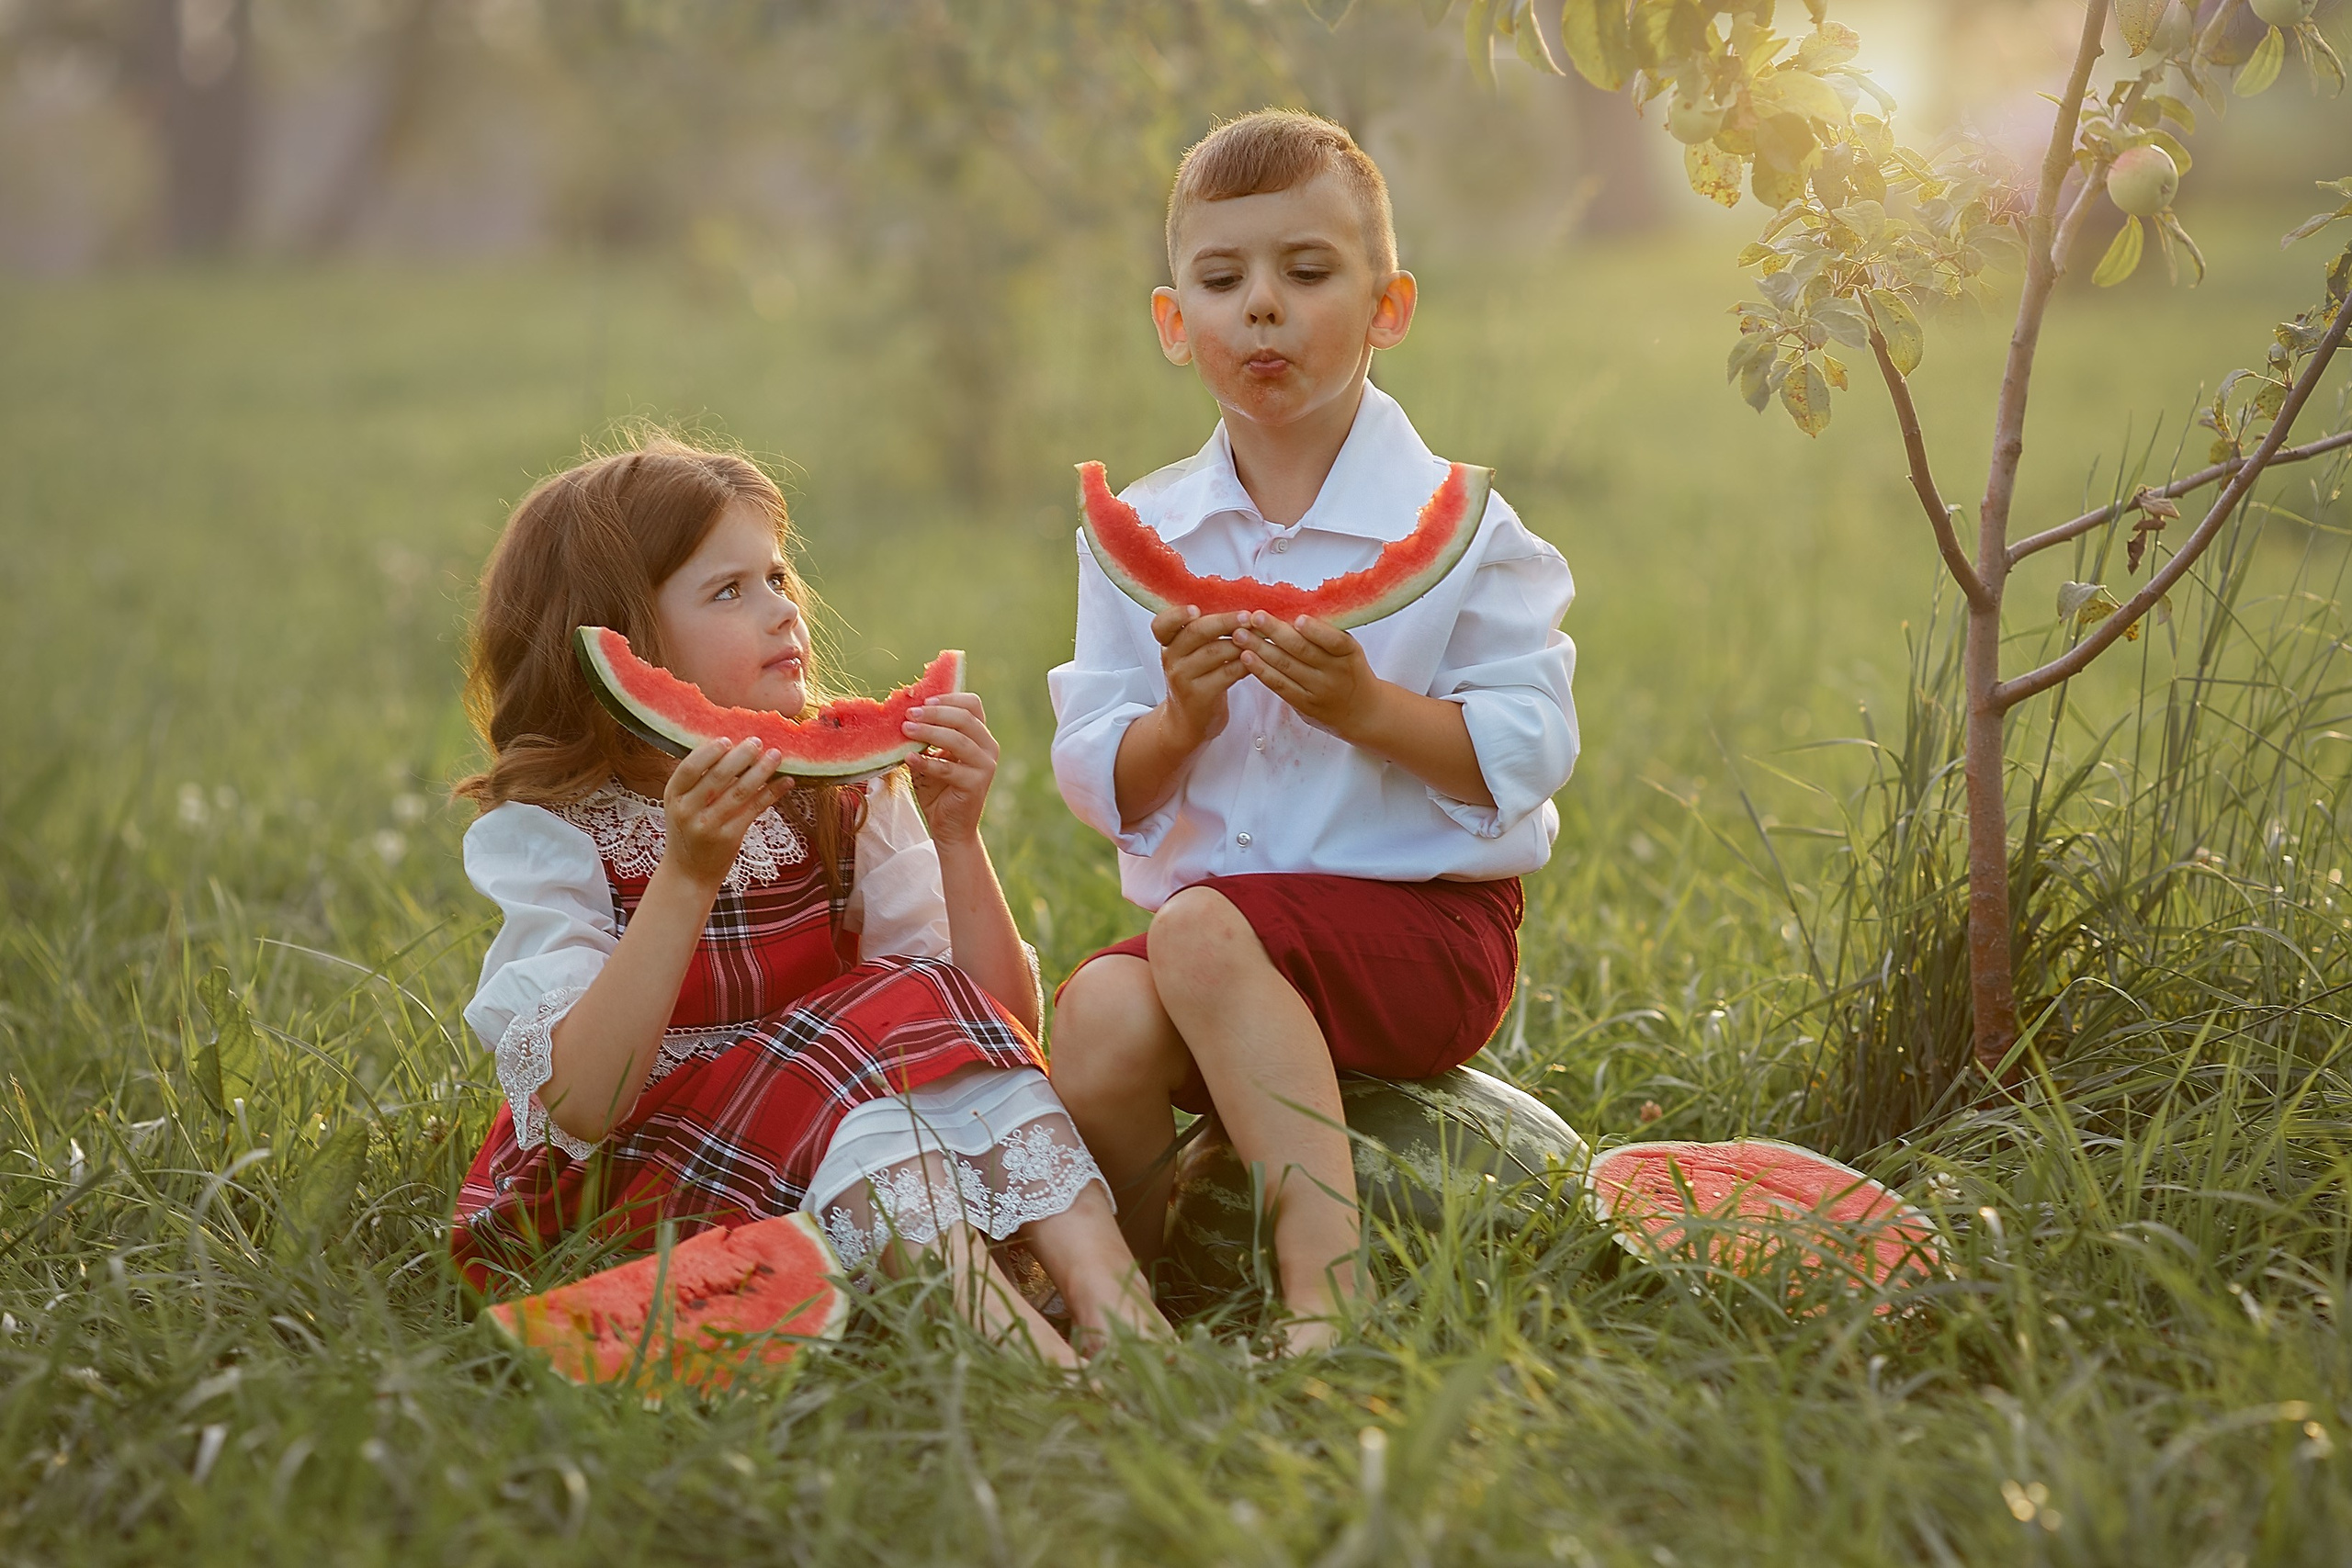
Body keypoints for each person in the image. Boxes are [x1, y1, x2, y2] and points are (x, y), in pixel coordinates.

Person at [449, 434, 1164, 1365]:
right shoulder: (556, 831)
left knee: (912, 1021)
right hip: (644, 1183)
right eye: (727, 591)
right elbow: (585, 1103)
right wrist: (687, 874)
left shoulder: (845, 795)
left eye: (779, 579)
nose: (782, 612)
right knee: (892, 1025)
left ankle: (1133, 1330)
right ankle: (1032, 1365)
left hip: (839, 1155)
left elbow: (997, 1029)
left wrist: (957, 838)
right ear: (621, 639)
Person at [1046, 110, 1578, 1355]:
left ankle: (1325, 1295)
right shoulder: (1140, 535)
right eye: (1223, 281)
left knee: (1196, 927)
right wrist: (1180, 720)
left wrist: (1368, 710)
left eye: (1307, 271)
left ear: (1389, 307)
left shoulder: (1466, 529)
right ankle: (1139, 1287)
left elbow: (1532, 740)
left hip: (1425, 940)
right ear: (1176, 324)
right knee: (1094, 1017)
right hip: (1214, 956)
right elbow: (1095, 768)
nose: (1262, 310)